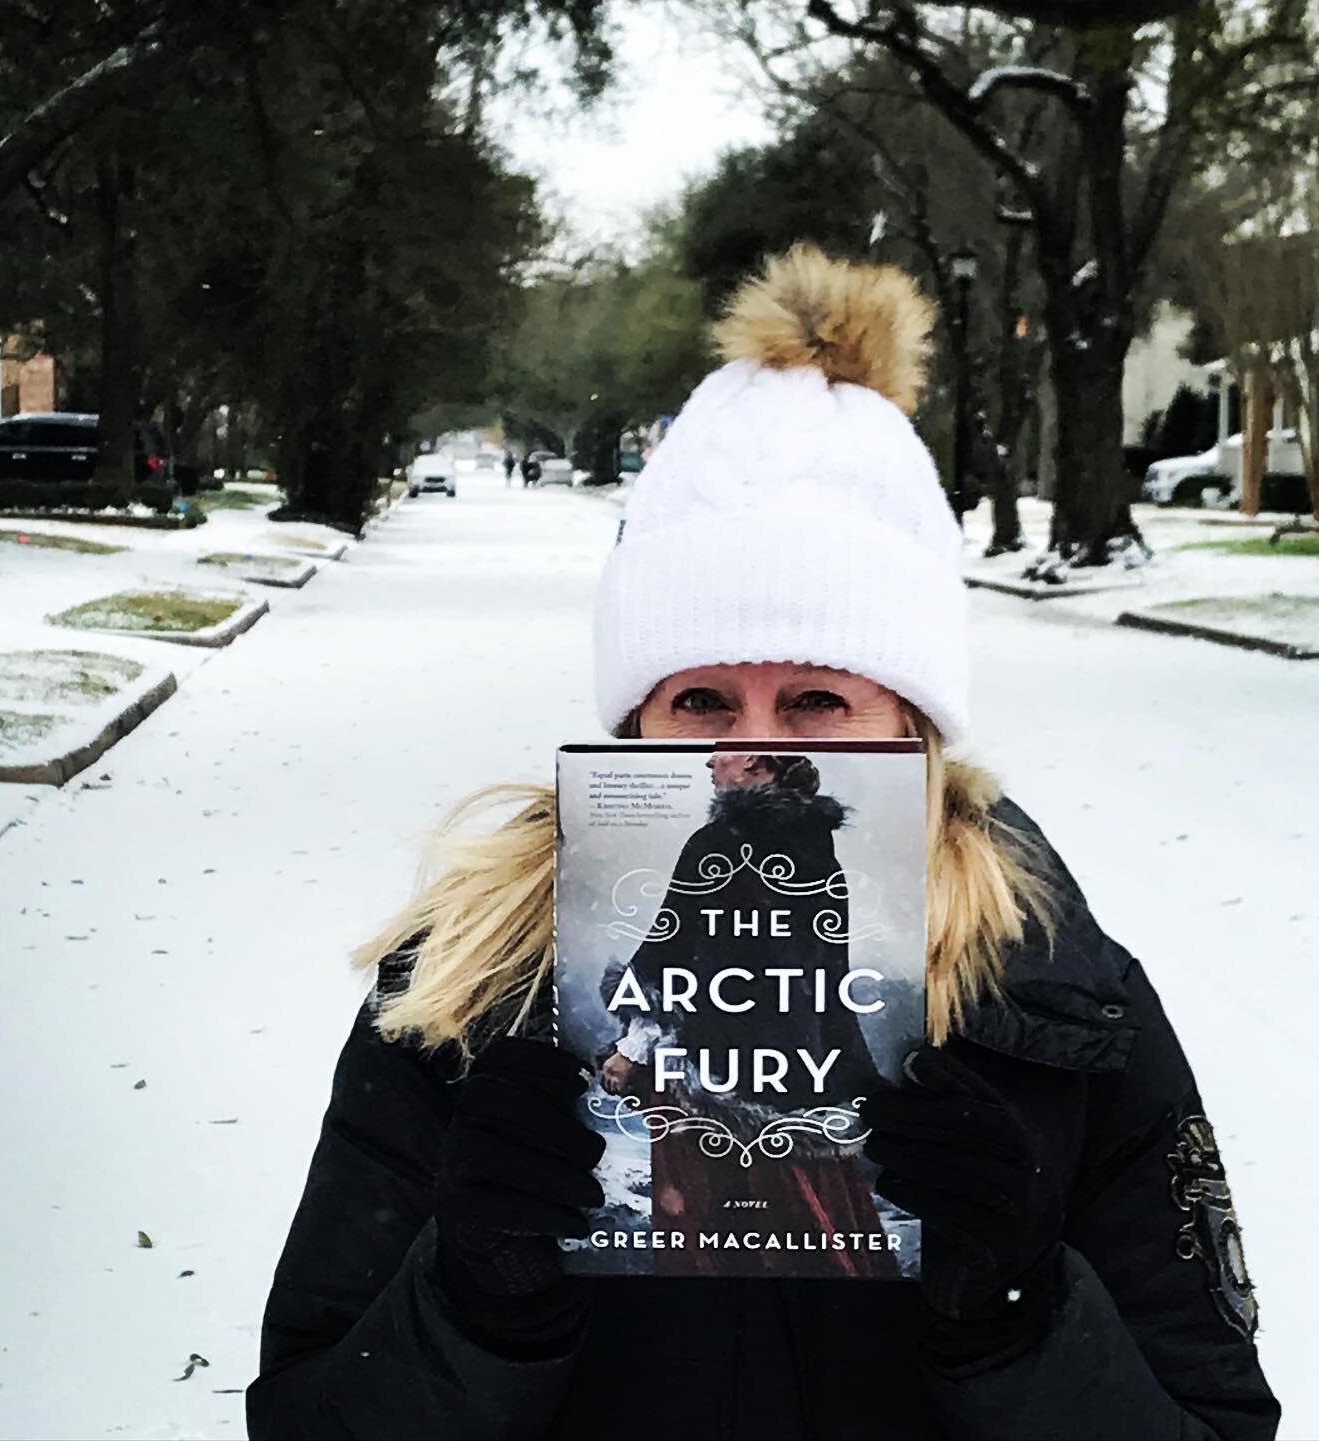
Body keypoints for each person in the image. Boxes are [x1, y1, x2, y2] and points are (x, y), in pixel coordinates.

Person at [248, 246, 1279, 1440]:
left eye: (817, 701)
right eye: (699, 701)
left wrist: (1018, 1324)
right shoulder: (469, 990)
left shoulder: (1058, 1003)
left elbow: (1213, 1421)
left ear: (913, 722)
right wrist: (478, 1308)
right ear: (633, 716)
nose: (750, 750)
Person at [597, 751, 895, 1279]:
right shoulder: (819, 854)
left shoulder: (715, 847)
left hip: (707, 1072)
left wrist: (632, 1048)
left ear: (758, 763)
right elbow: (832, 983)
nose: (709, 760)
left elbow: (668, 953)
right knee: (813, 1237)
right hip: (798, 1076)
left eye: (725, 752)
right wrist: (853, 1077)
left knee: (707, 1239)